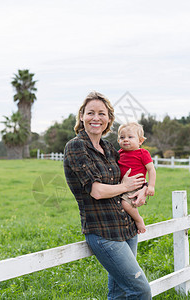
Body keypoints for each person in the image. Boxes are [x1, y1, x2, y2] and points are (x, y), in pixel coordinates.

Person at [63, 91, 152, 299]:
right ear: (82, 117)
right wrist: (124, 186)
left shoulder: (109, 148)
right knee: (141, 290)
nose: (96, 118)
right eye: (90, 113)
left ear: (109, 119)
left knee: (120, 293)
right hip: (103, 232)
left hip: (126, 227)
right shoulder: (76, 146)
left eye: (101, 113)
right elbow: (97, 191)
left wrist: (142, 190)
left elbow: (132, 171)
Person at [118, 122, 156, 234]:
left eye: (130, 137)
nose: (125, 140)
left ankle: (138, 219)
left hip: (136, 185)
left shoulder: (142, 153)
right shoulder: (119, 153)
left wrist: (151, 186)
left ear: (140, 141)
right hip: (123, 185)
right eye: (122, 137)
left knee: (125, 204)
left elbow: (151, 170)